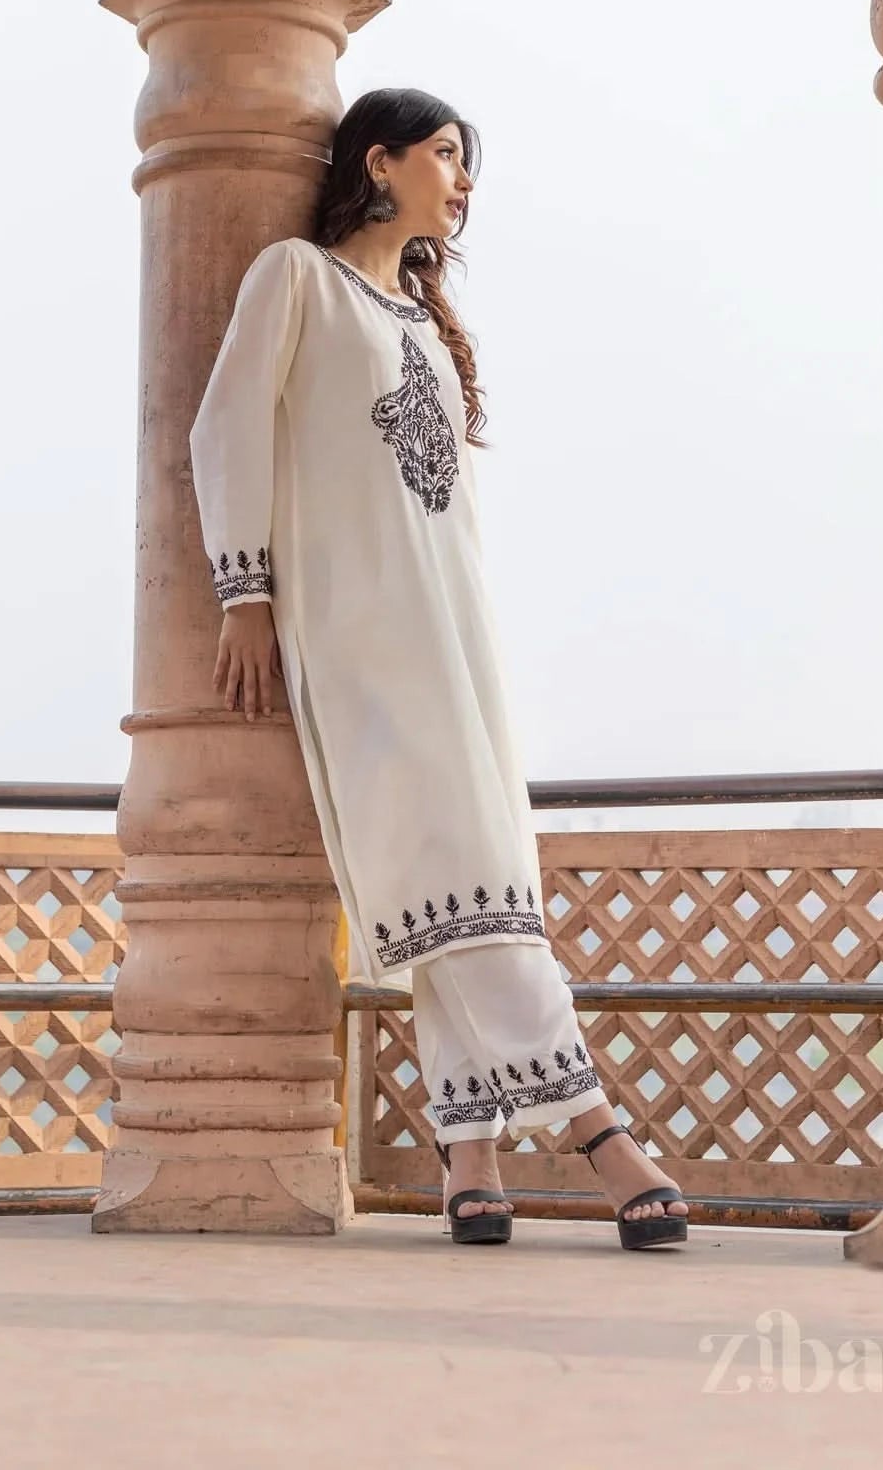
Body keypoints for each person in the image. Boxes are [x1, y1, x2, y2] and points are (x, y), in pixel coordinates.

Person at [188, 86, 689, 1251]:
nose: (463, 185)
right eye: (449, 157)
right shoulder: (296, 279)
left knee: (457, 876)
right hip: (357, 628)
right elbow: (224, 429)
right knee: (459, 868)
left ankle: (469, 1151)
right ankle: (595, 1129)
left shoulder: (414, 312)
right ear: (383, 159)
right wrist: (244, 593)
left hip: (452, 628)